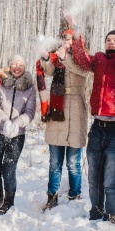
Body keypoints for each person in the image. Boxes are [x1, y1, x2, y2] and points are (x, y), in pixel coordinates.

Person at [66, 15, 115, 223]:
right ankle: (95, 212)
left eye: (114, 40)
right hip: (97, 128)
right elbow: (81, 59)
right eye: (108, 40)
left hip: (114, 129)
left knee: (110, 180)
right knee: (94, 178)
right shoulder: (99, 59)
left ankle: (111, 215)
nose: (111, 42)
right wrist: (76, 31)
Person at [36, 30, 89, 211]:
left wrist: (64, 57)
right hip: (57, 109)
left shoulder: (83, 60)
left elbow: (81, 71)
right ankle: (52, 196)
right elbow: (49, 71)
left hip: (76, 110)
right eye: (64, 40)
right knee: (54, 161)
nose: (66, 43)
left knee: (73, 162)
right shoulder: (58, 58)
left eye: (69, 40)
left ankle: (74, 194)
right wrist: (45, 58)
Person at [0, 55, 36, 215]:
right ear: (9, 66)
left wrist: (16, 123)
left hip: (17, 134)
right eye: (14, 63)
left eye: (21, 64)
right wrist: (5, 121)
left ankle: (9, 201)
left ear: (25, 67)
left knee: (8, 169)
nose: (17, 67)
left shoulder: (30, 88)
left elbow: (30, 112)